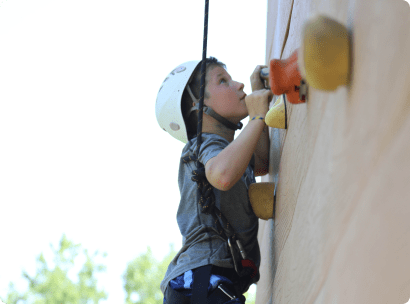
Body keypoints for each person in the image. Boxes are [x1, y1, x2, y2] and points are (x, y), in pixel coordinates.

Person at [155, 57, 272, 304]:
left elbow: (261, 162)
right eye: (223, 81)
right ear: (199, 105)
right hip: (200, 280)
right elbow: (223, 175)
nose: (239, 85)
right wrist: (258, 117)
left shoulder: (228, 151)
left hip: (206, 283)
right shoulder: (202, 144)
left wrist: (257, 97)